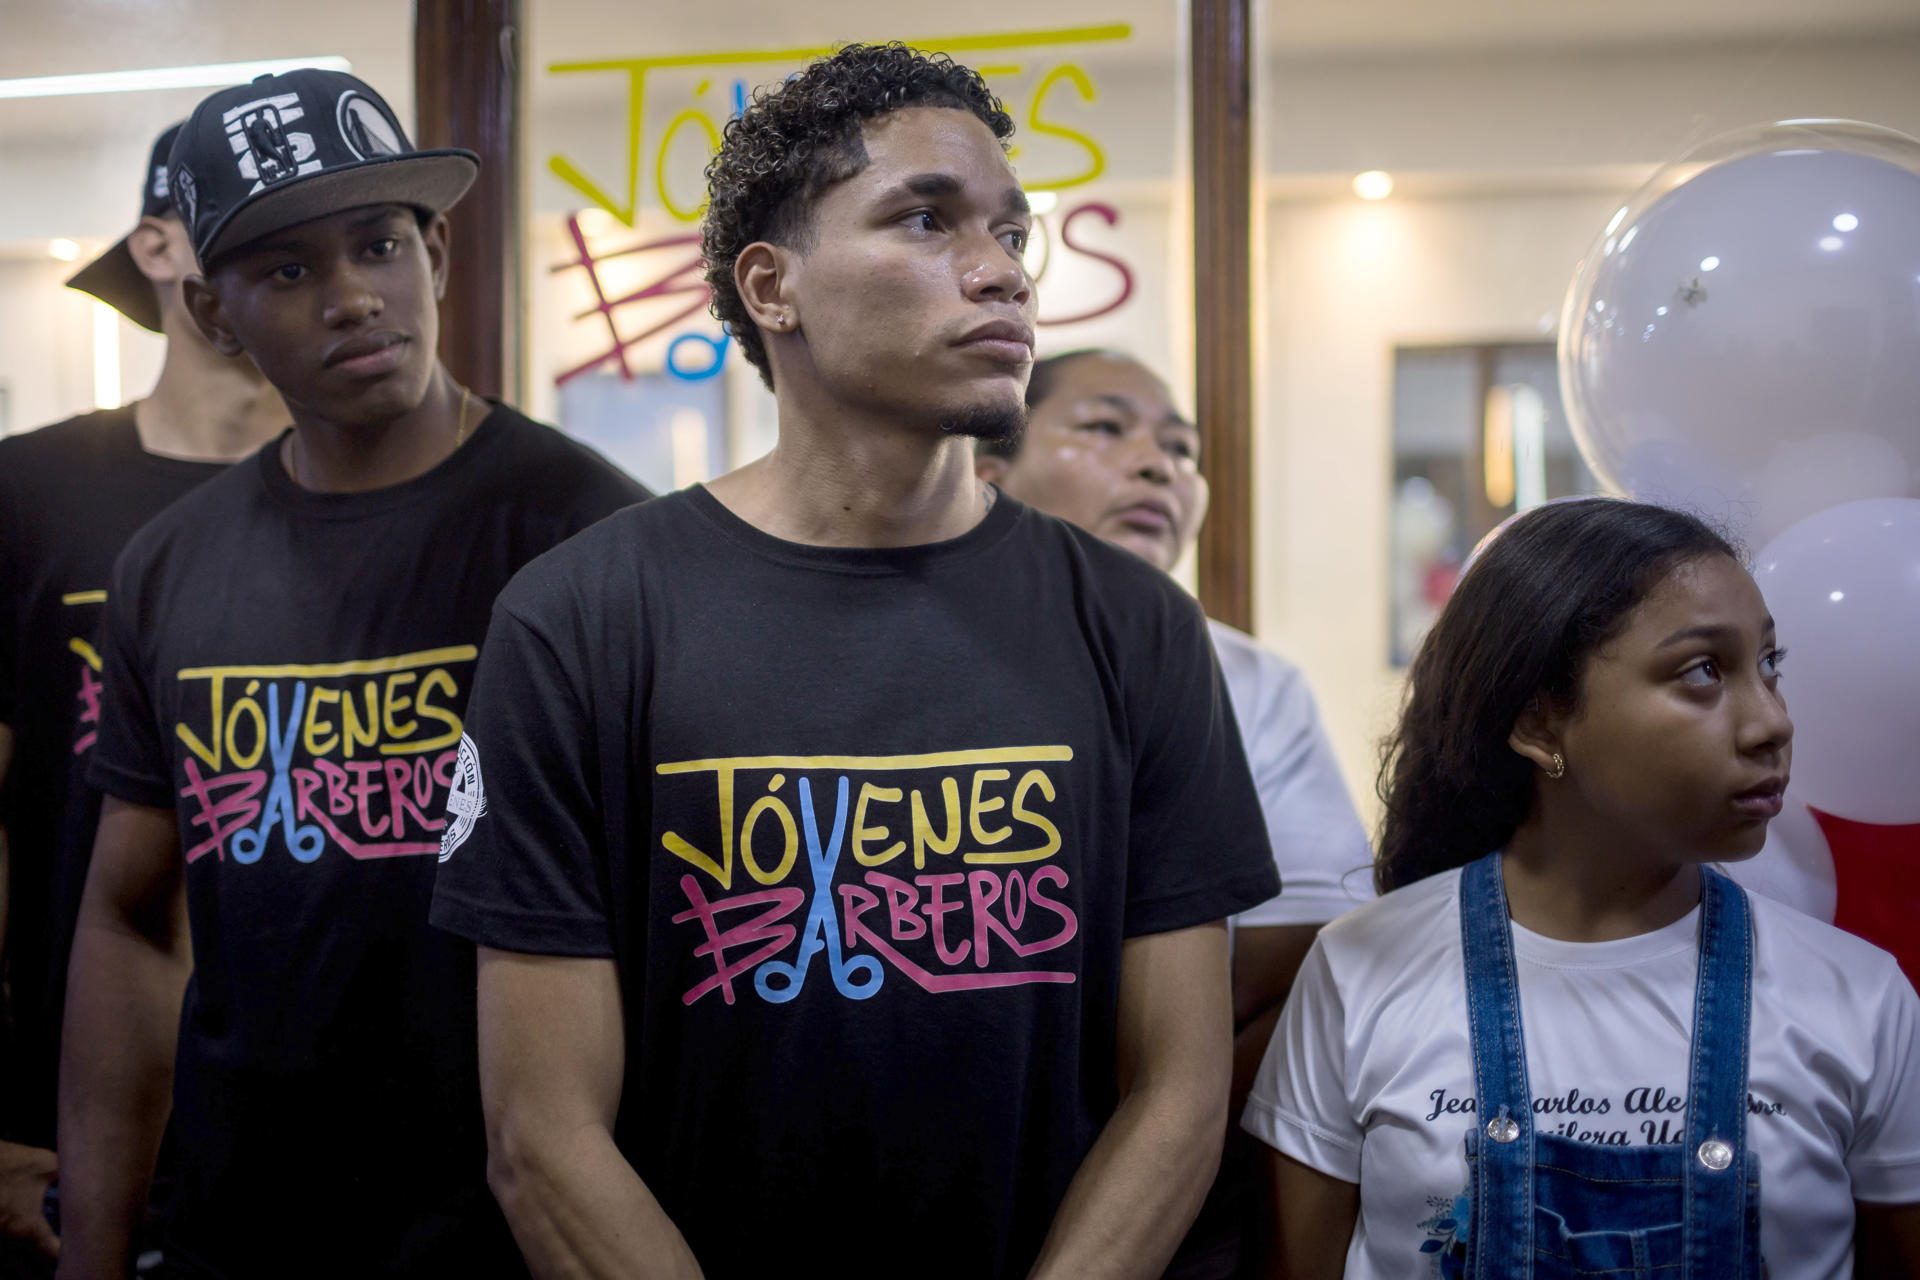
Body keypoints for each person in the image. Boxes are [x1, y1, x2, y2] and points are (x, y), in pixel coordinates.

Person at [429, 43, 1279, 1279]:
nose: (999, 273)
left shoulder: (1133, 621)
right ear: (772, 288)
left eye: (1010, 232)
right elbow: (543, 1135)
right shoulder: (582, 617)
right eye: (926, 220)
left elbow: (1182, 1089)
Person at [57, 69, 647, 1280]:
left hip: (514, 1233)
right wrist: (95, 1253)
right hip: (244, 1225)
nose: (350, 299)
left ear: (435, 255)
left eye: (379, 244)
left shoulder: (591, 529)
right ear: (214, 316)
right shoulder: (169, 566)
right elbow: (130, 920)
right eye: (285, 271)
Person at [1244, 498, 1920, 1278]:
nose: (1772, 721)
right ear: (1539, 724)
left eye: (1770, 665)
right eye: (1703, 671)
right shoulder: (1358, 971)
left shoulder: (1860, 998)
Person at [975, 348, 1372, 1276]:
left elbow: (1308, 930)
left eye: (1181, 449)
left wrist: (1136, 1064)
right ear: (989, 469)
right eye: (1105, 427)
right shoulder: (922, 653)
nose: (1159, 464)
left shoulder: (1248, 676)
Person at [0, 123, 286, 1269]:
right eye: (268, 242)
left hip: (332, 1126)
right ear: (160, 246)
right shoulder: (31, 488)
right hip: (66, 1116)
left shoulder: (407, 502)